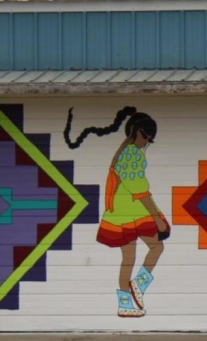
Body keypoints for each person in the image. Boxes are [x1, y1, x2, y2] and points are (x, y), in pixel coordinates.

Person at [63, 106, 169, 318]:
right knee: (157, 247)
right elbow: (139, 189)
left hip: (120, 213)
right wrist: (157, 217)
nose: (147, 143)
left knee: (128, 258)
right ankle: (138, 285)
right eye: (147, 138)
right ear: (140, 132)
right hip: (134, 212)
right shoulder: (133, 155)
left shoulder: (123, 152)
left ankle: (124, 304)